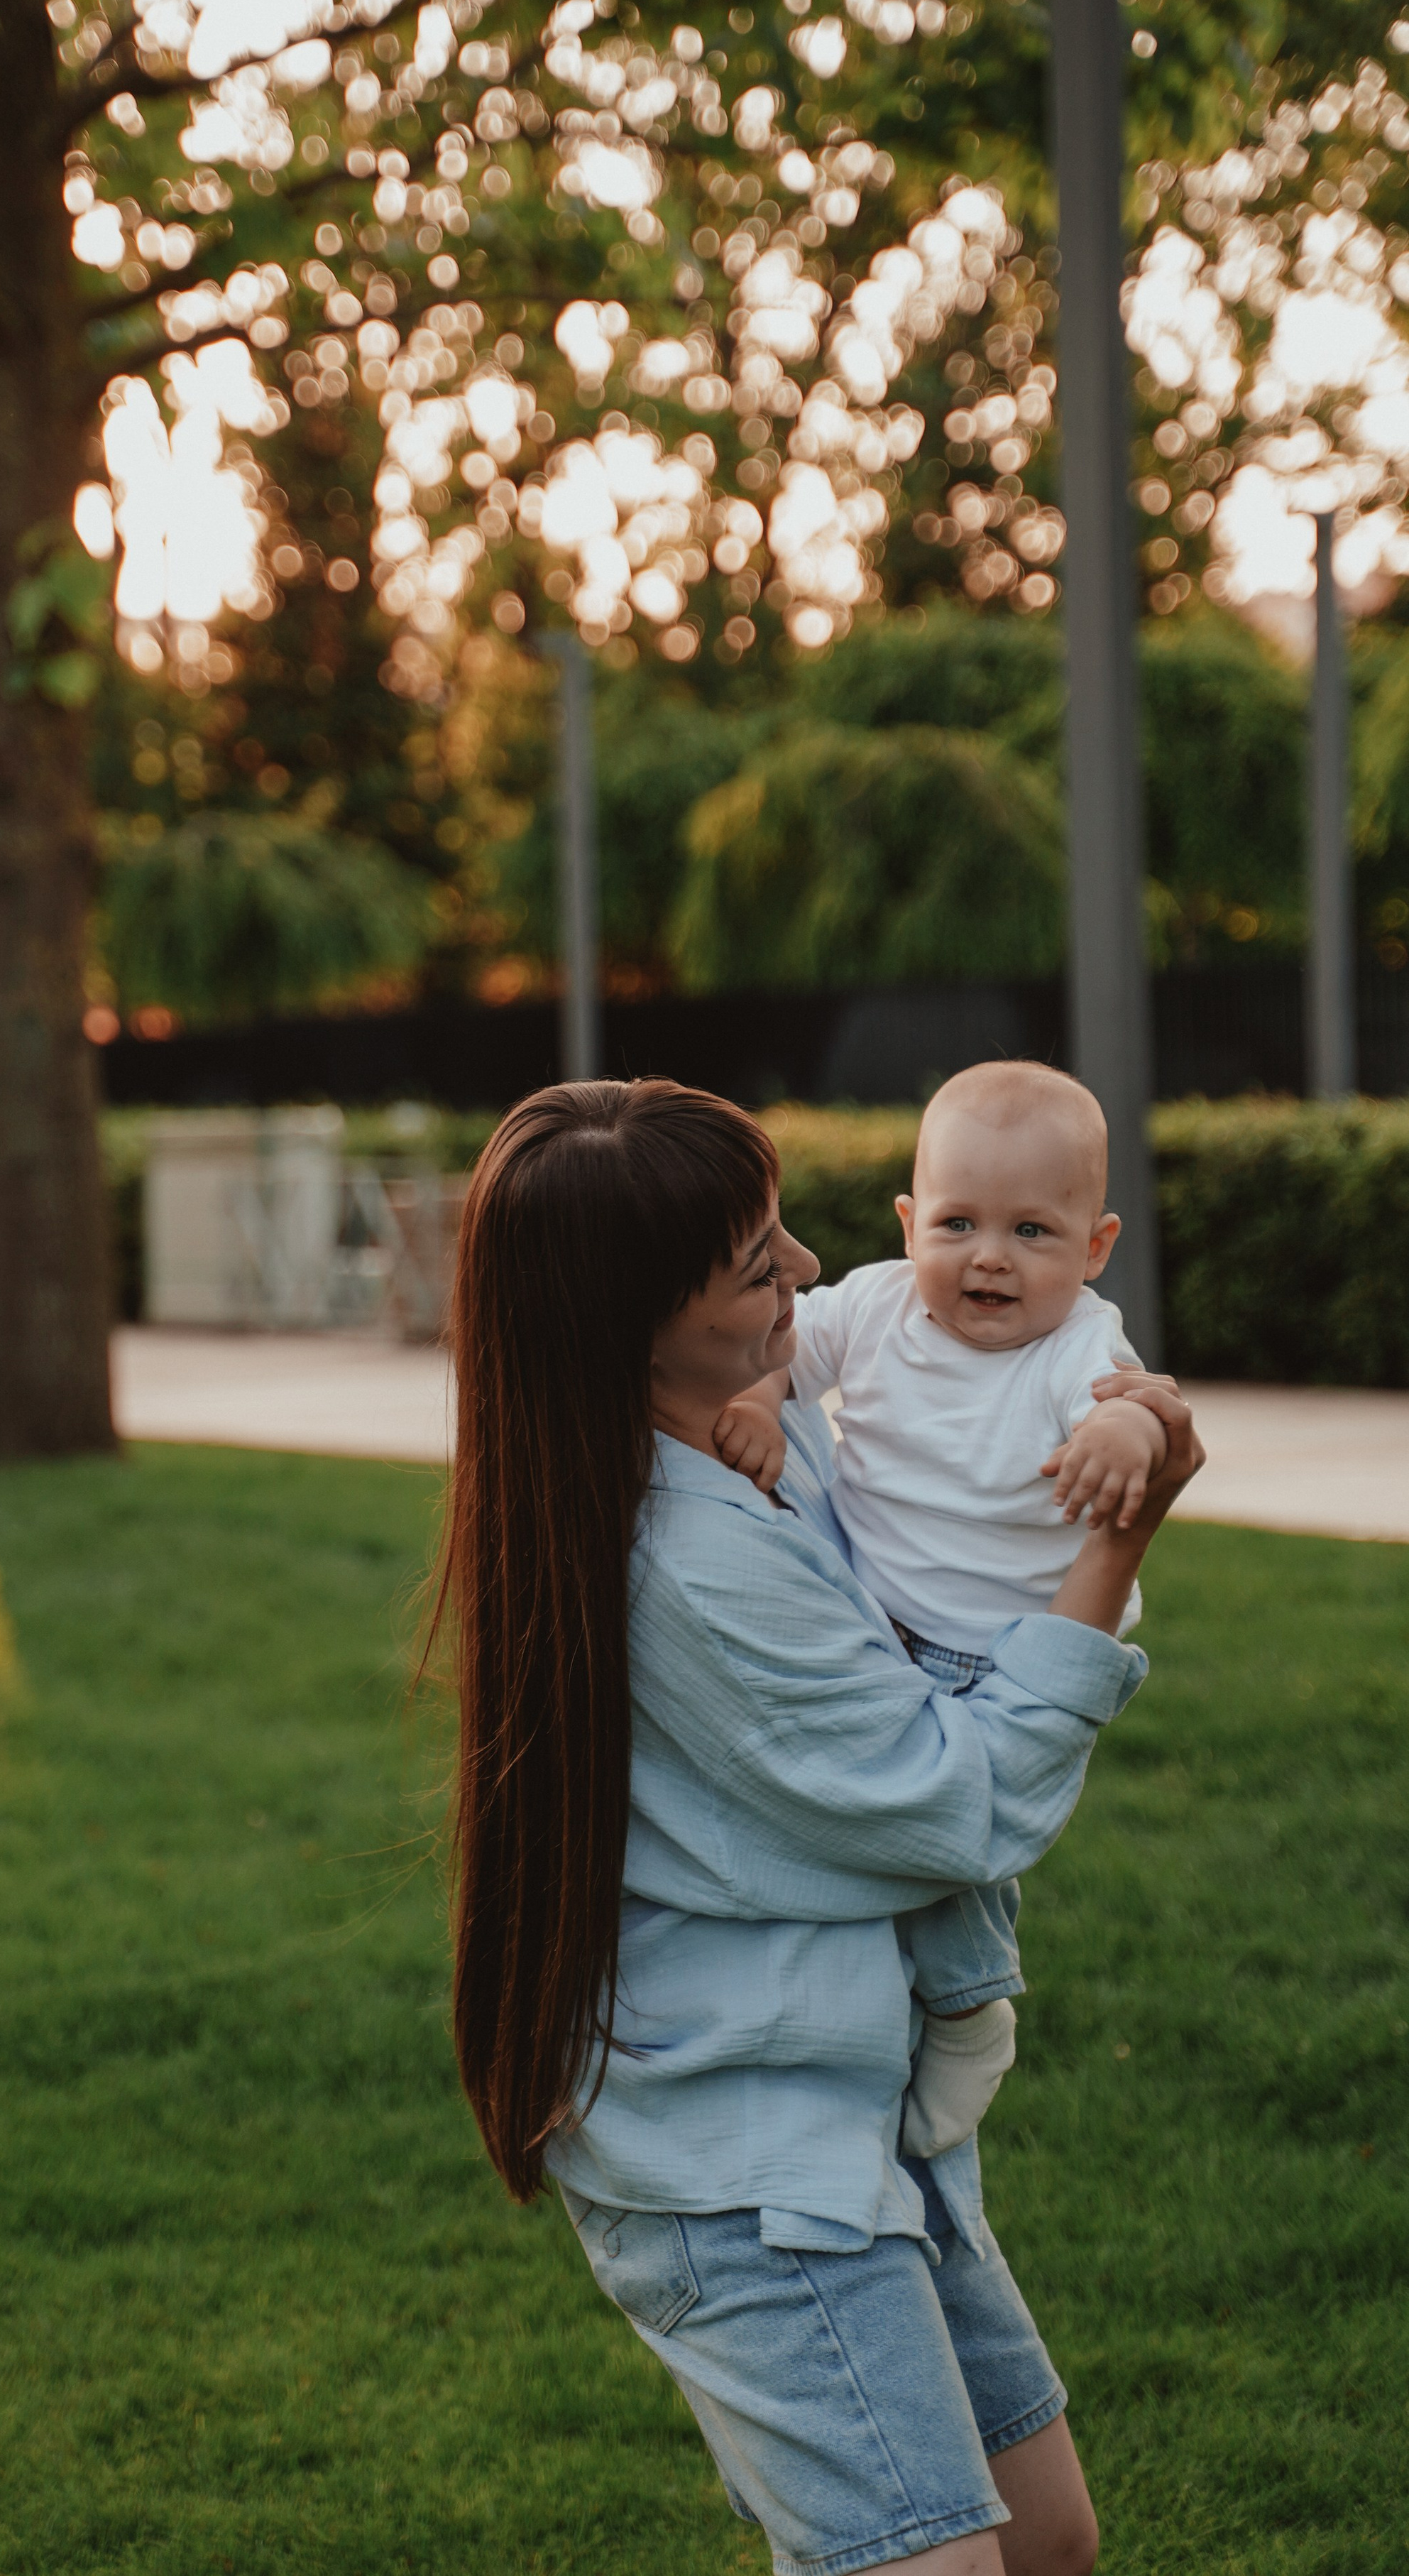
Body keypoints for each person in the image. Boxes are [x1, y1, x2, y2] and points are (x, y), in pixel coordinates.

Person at [434, 1077, 1202, 2576]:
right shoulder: (689, 1559)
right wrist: (1116, 1537)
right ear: (632, 1322)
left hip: (854, 2112)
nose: (802, 1273)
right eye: (750, 1265)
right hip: (741, 2164)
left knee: (1044, 2543)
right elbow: (962, 1804)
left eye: (782, 1236)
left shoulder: (753, 1447)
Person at [708, 1060, 1168, 2163]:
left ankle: (970, 2009)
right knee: (882, 1829)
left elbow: (1134, 1413)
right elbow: (784, 1350)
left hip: (1004, 1655)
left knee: (951, 1849)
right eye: (957, 1222)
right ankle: (893, 2009)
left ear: (1095, 1249)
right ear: (910, 1220)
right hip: (881, 1627)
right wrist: (759, 1405)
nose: (990, 1257)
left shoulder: (1076, 1348)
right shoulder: (870, 1304)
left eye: (1033, 1232)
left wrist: (1122, 1436)